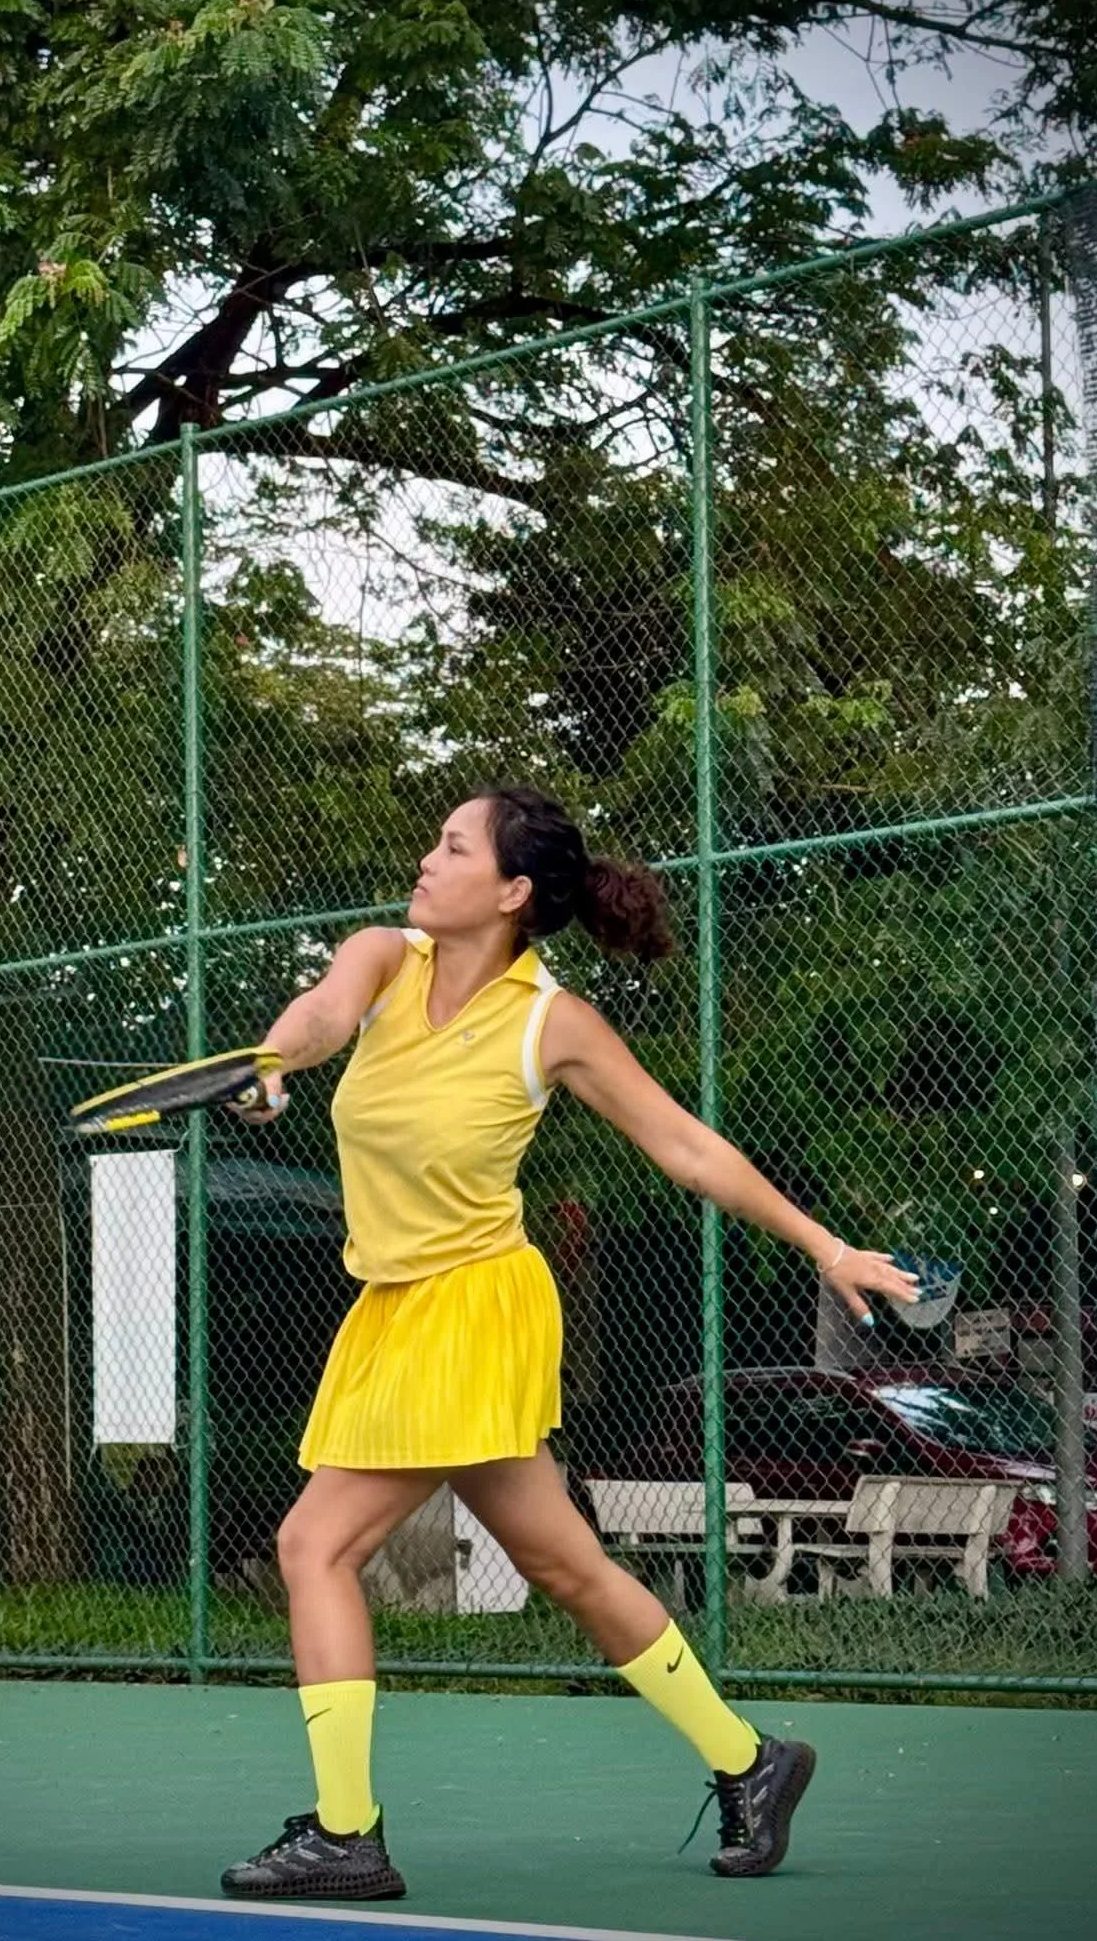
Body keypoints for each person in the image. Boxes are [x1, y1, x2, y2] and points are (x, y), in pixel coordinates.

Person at [219, 786, 919, 1901]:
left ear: (509, 891)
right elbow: (321, 1015)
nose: (428, 856)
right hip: (394, 1304)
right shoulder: (383, 955)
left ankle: (346, 1833)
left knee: (314, 1546)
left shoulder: (555, 1023)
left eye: (453, 846)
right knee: (566, 1563)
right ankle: (752, 1760)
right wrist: (276, 1060)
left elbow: (685, 1146)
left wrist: (826, 1245)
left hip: (477, 1305)